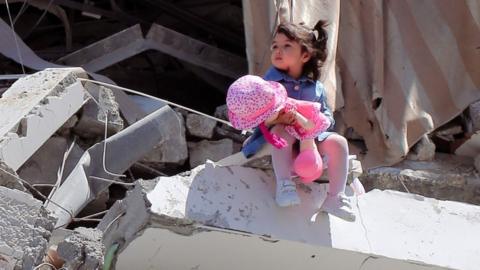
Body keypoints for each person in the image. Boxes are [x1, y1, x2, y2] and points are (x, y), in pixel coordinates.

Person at [240, 21, 355, 222]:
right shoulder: (269, 84)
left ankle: (335, 198)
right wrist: (278, 118)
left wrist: (317, 120)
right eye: (275, 45)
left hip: (309, 138)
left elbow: (327, 117)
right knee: (282, 131)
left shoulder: (316, 87)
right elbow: (259, 118)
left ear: (305, 55)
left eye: (287, 46)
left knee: (339, 143)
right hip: (279, 138)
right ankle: (285, 185)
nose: (278, 50)